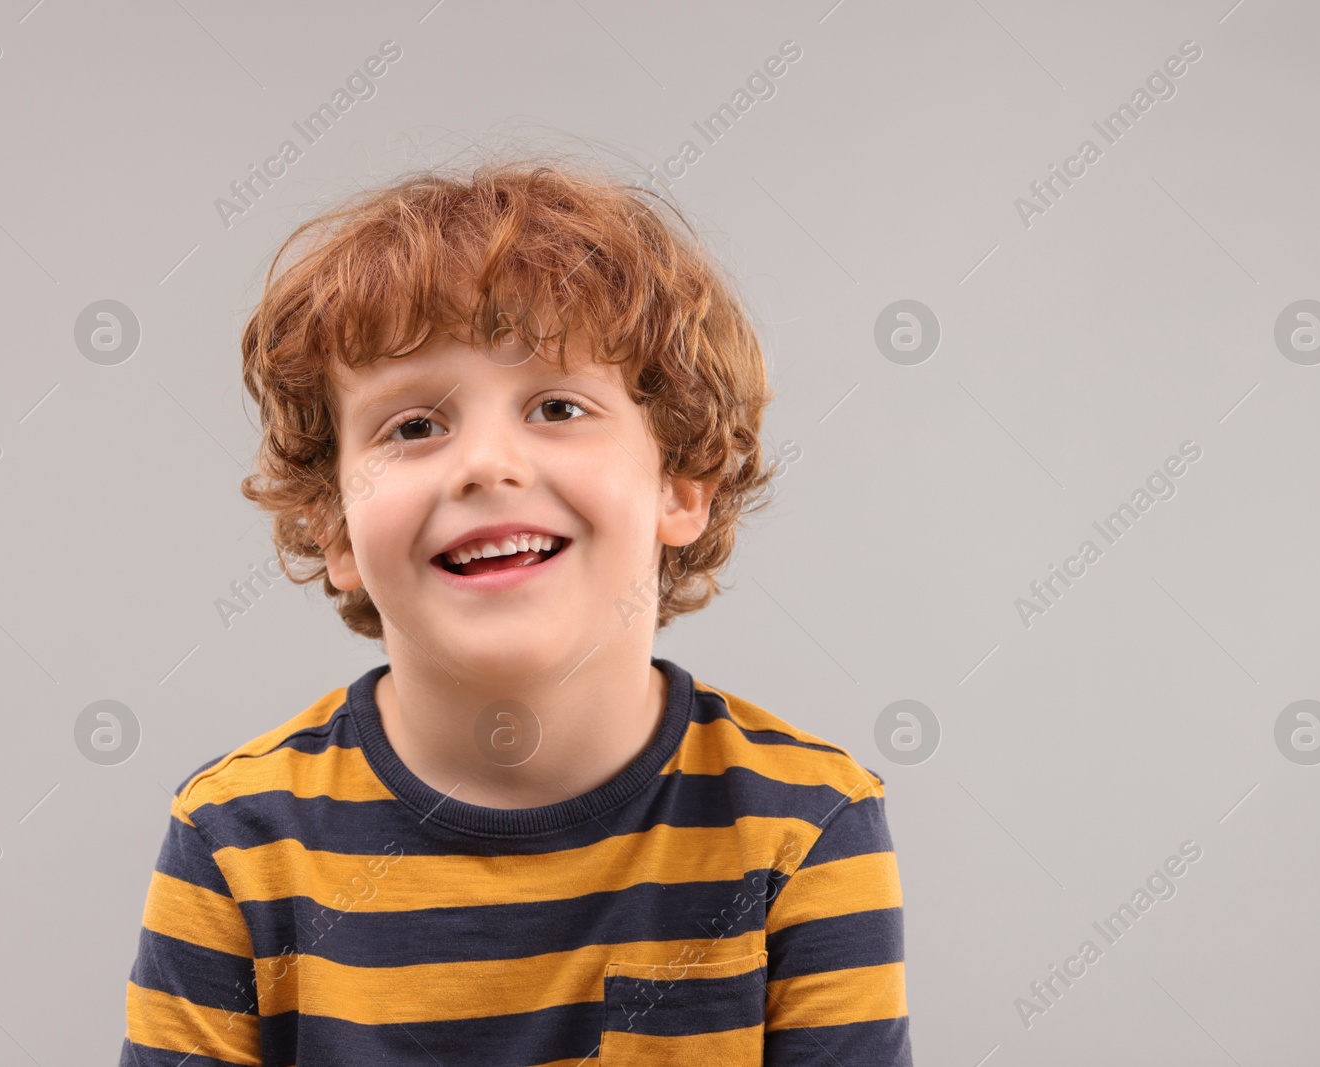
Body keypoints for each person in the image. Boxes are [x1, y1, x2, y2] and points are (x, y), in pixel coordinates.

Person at [118, 156, 912, 1066]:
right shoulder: (234, 842)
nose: (485, 464)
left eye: (559, 405)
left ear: (684, 483)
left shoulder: (807, 827)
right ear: (334, 527)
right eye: (413, 426)